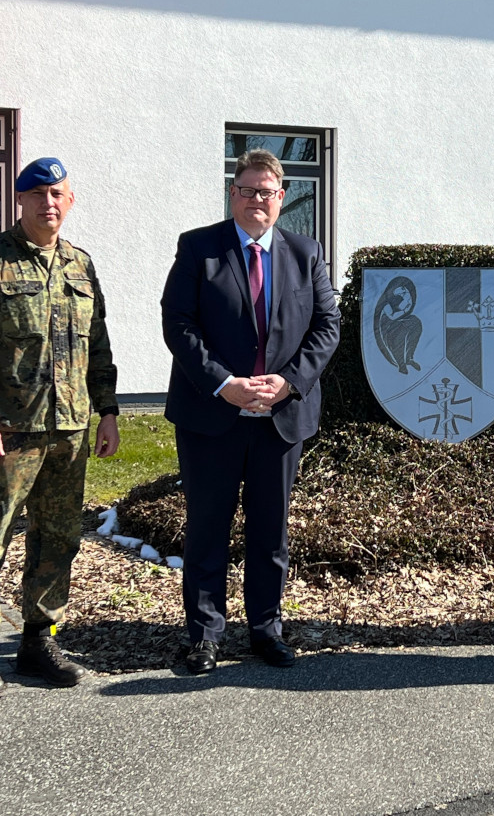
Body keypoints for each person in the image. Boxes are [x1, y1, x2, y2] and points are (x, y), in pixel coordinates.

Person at [0, 156, 120, 702]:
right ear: (20, 201)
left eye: (59, 195)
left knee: (58, 539)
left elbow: (99, 345)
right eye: (39, 194)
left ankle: (38, 641)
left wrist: (109, 410)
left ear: (71, 202)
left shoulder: (80, 265)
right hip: (9, 430)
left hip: (68, 429)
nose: (49, 203)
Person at [161, 148, 340, 673]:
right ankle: (205, 635)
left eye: (267, 192)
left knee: (270, 530)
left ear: (281, 199)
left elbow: (327, 327)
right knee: (207, 528)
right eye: (247, 190)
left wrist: (289, 383)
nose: (257, 199)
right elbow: (178, 323)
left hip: (280, 421)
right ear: (232, 194)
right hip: (211, 416)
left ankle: (266, 629)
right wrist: (224, 385)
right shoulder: (199, 248)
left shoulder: (306, 252)